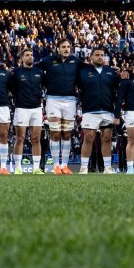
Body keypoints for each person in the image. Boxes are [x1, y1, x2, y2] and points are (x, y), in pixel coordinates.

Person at [39, 39, 81, 174]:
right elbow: (34, 70)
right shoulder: (49, 61)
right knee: (55, 133)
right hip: (53, 100)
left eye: (68, 47)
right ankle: (56, 165)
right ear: (58, 48)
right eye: (63, 47)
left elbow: (90, 69)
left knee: (67, 134)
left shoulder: (76, 62)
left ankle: (65, 165)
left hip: (70, 101)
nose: (66, 49)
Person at [76, 47, 120, 175]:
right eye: (97, 55)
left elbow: (119, 89)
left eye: (102, 55)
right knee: (88, 138)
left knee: (106, 139)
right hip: (90, 110)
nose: (100, 57)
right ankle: (83, 168)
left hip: (107, 110)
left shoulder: (111, 72)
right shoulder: (83, 72)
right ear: (91, 57)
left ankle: (107, 168)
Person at [10, 48, 46, 175]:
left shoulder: (39, 72)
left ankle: (36, 168)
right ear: (21, 58)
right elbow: (11, 88)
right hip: (21, 108)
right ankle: (18, 167)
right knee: (20, 138)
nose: (30, 57)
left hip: (36, 108)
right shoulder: (16, 73)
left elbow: (45, 86)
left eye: (31, 55)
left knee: (36, 138)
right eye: (27, 55)